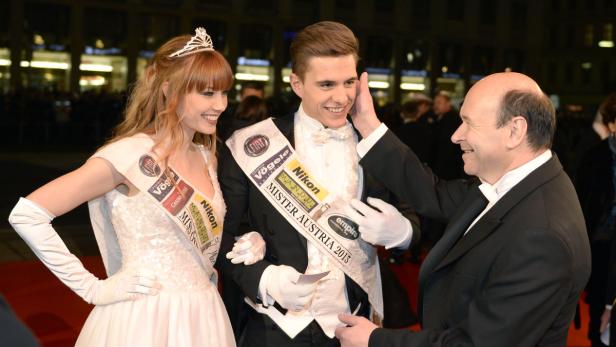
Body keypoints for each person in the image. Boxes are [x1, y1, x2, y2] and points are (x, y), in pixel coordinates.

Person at [8, 28, 262, 347]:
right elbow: (28, 215)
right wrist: (92, 288)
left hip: (204, 315)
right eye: (208, 93)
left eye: (225, 92)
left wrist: (247, 242)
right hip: (143, 319)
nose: (221, 104)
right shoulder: (129, 155)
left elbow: (197, 241)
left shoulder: (207, 157)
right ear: (170, 90)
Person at [335, 71, 591, 346]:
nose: (456, 136)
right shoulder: (514, 184)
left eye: (469, 123)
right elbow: (432, 192)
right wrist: (367, 123)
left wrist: (375, 341)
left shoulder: (543, 236)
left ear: (514, 131)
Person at [217, 21, 418, 346]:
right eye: (326, 85)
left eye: (349, 82)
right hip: (270, 326)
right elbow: (219, 235)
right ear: (297, 83)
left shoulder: (377, 146)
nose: (342, 97)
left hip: (352, 325)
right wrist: (264, 278)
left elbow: (417, 216)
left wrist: (403, 231)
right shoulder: (251, 145)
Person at [577, 92, 616, 347]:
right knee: (598, 312)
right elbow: (582, 203)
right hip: (601, 244)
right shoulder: (593, 157)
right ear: (611, 125)